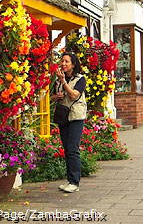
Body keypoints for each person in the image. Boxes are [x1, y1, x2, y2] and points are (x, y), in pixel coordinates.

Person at [52, 52, 87, 193]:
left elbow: (73, 95)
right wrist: (57, 96)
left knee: (73, 149)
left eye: (67, 61)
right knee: (67, 149)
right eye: (62, 61)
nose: (63, 64)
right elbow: (53, 97)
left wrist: (64, 82)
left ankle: (75, 182)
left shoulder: (80, 79)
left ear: (73, 64)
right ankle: (70, 180)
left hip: (76, 117)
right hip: (63, 117)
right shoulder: (58, 80)